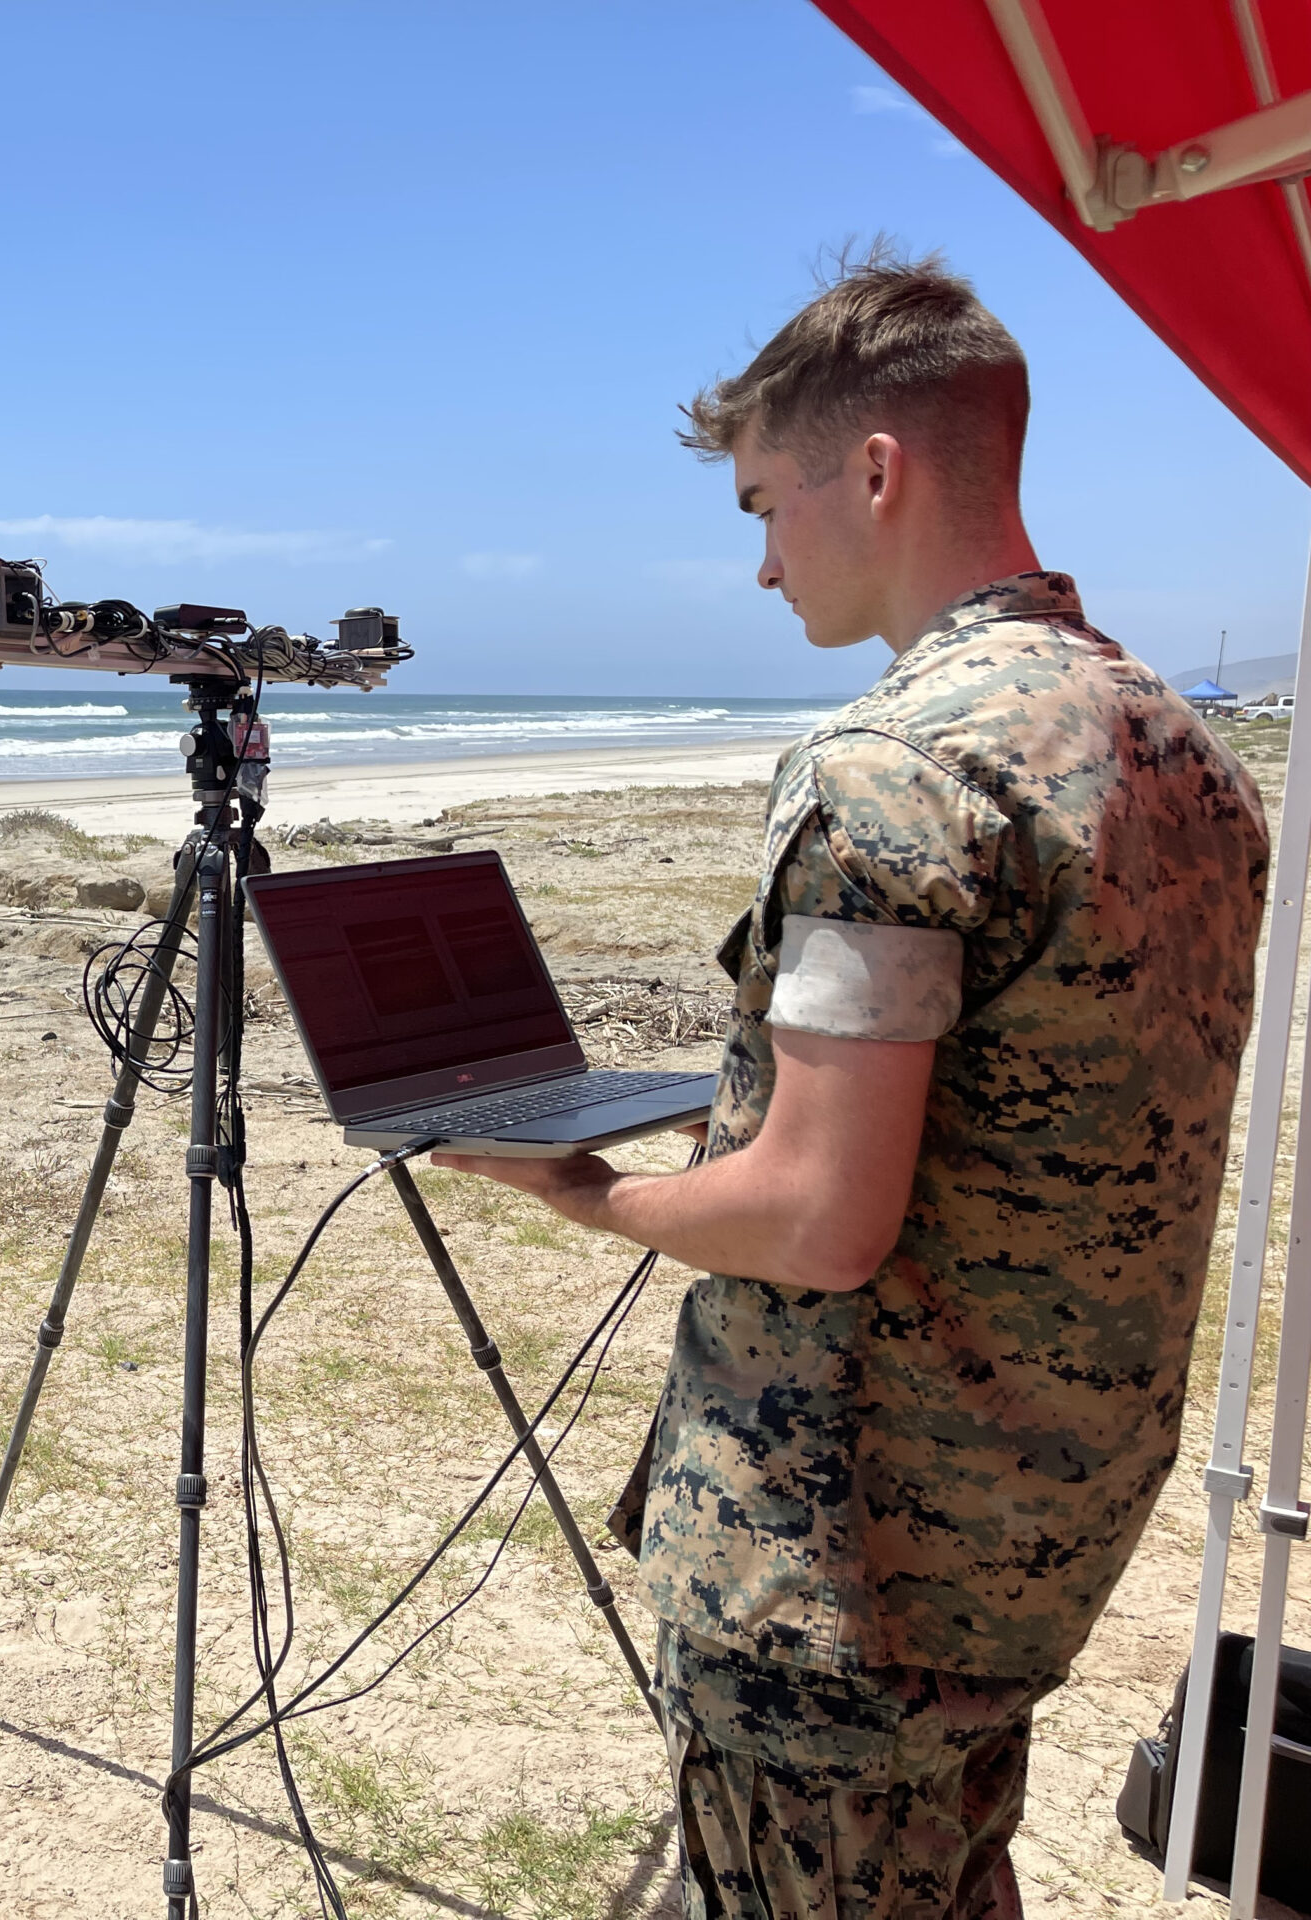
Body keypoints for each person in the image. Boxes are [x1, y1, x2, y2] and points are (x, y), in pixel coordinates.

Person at [430, 249, 1270, 1918]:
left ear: (873, 473)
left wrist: (590, 1187)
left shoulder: (893, 767)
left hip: (847, 1563)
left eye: (764, 507)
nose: (758, 566)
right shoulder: (1187, 750)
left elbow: (817, 1217)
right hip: (1039, 1509)